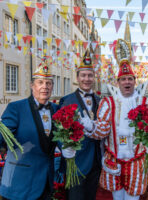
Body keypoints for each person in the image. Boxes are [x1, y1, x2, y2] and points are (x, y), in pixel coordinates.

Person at [80, 39, 148, 200]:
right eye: (123, 79)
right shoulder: (108, 103)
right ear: (118, 83)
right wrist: (90, 126)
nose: (127, 82)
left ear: (134, 81)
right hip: (113, 161)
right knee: (117, 197)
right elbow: (102, 130)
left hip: (137, 162)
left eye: (130, 79)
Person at [0, 59, 58, 200]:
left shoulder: (56, 109)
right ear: (32, 86)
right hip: (19, 185)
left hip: (46, 184)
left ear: (52, 86)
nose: (45, 86)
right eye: (40, 82)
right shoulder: (16, 108)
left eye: (48, 83)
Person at [58, 49, 101, 200]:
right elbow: (58, 131)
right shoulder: (67, 100)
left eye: (90, 75)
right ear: (77, 77)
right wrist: (64, 147)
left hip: (96, 162)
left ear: (94, 77)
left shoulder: (100, 100)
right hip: (75, 162)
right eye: (83, 75)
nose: (87, 79)